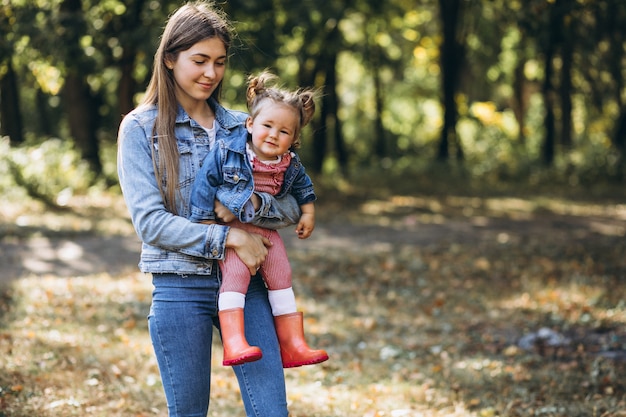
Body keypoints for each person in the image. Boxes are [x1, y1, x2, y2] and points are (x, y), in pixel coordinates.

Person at [117, 2, 302, 416]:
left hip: (247, 287)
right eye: (199, 60)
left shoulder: (245, 125)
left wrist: (251, 206)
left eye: (219, 62)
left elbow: (293, 200)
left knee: (272, 410)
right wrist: (231, 235)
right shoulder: (140, 129)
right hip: (179, 287)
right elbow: (151, 223)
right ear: (169, 58)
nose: (211, 73)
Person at [189, 71, 328, 369]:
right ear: (250, 124)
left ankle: (292, 344)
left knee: (282, 275)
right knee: (236, 278)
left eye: (284, 132)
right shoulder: (228, 152)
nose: (274, 135)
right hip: (234, 231)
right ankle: (235, 340)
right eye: (267, 126)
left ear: (294, 138)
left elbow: (303, 187)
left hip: (266, 231)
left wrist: (308, 212)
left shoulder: (289, 163)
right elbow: (205, 183)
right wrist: (205, 222)